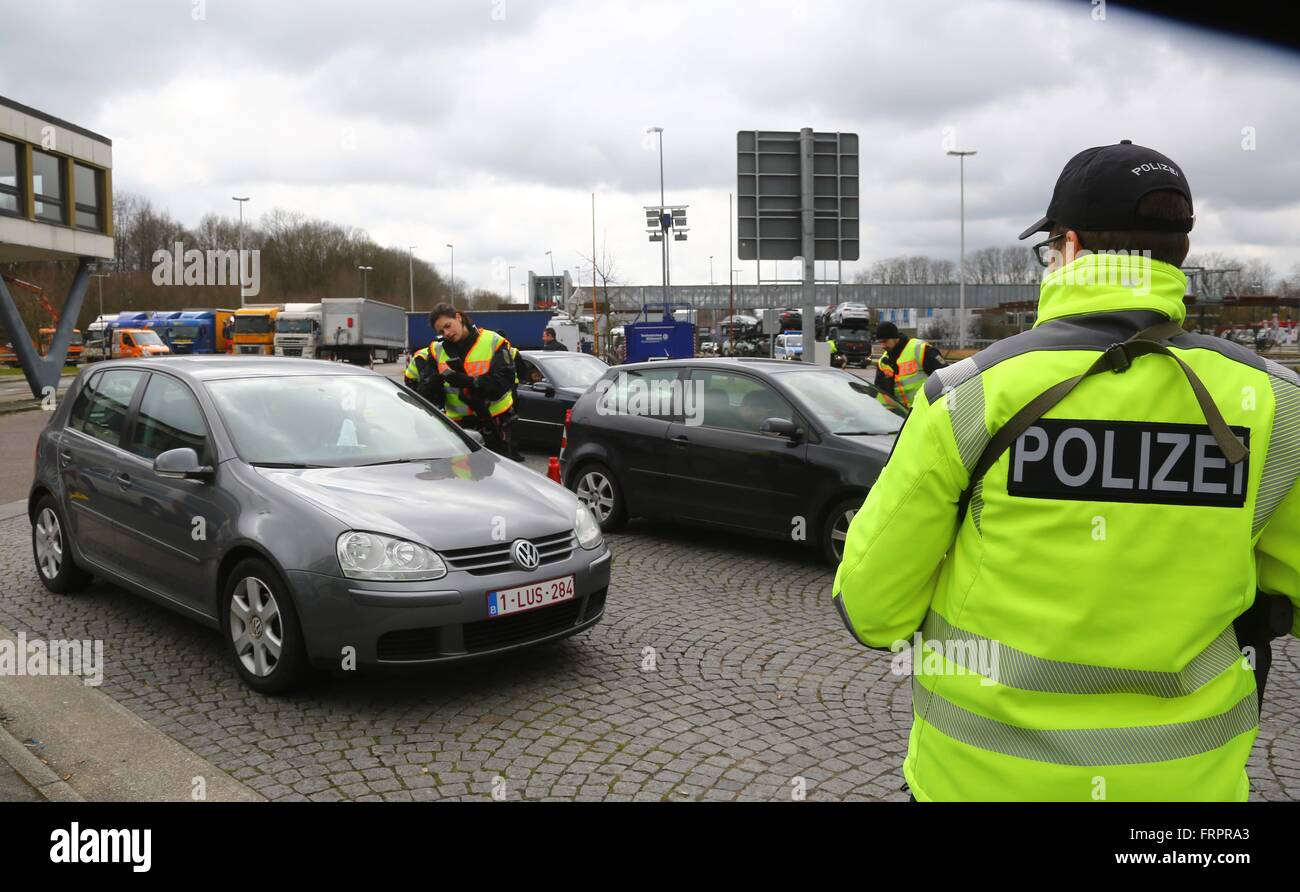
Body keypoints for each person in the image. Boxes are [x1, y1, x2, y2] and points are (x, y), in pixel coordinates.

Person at [833, 140, 1300, 801]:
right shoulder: (1278, 405)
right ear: (1180, 254)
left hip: (979, 784)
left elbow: (873, 609)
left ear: (1070, 247)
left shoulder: (968, 396)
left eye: (1049, 246)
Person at [423, 303, 522, 460]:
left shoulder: (494, 341)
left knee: (500, 478)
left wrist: (471, 382)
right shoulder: (437, 351)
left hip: (495, 424)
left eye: (448, 326)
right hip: (458, 429)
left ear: (458, 317)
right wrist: (432, 385)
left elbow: (503, 383)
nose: (446, 333)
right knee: (462, 478)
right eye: (441, 331)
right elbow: (427, 395)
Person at [872, 321, 944, 409]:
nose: (882, 345)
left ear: (895, 338)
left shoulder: (920, 350)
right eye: (880, 342)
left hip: (928, 410)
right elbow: (881, 393)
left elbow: (944, 377)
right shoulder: (883, 363)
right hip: (903, 416)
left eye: (885, 341)